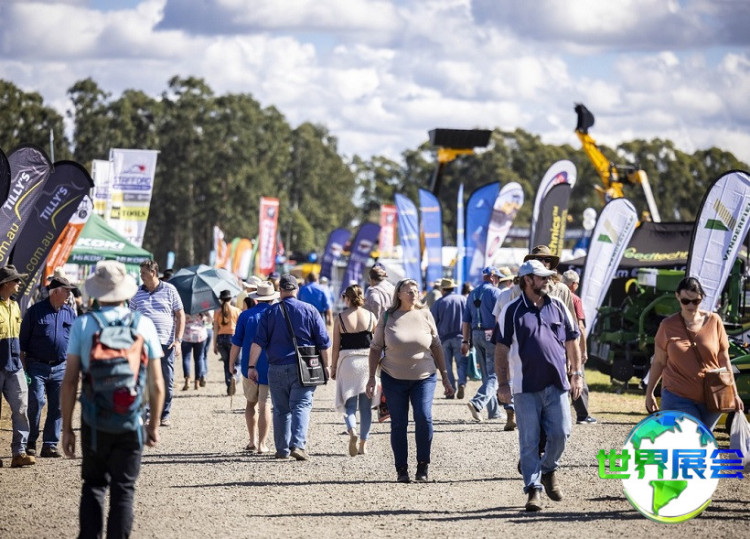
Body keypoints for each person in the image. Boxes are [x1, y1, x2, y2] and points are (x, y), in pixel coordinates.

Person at [61, 260, 165, 538]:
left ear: (97, 291)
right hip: (131, 419)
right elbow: (157, 383)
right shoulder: (142, 324)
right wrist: (153, 424)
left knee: (93, 486)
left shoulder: (84, 324)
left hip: (94, 420)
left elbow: (69, 381)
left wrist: (67, 428)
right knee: (124, 490)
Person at [495, 260, 582, 512]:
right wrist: (503, 383)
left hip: (557, 383)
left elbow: (572, 341)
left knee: (561, 433)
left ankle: (548, 469)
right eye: (542, 277)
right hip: (525, 387)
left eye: (548, 277)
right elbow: (501, 349)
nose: (547, 281)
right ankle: (533, 489)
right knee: (529, 440)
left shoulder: (558, 306)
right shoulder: (511, 310)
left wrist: (577, 374)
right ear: (527, 280)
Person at [366, 278, 454, 483]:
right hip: (393, 378)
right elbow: (376, 348)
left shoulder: (425, 314)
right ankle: (401, 469)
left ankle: (423, 466)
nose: (413, 294)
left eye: (415, 290)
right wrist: (371, 378)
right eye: (408, 291)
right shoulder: (388, 316)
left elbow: (436, 346)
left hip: (424, 377)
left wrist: (445, 377)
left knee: (424, 417)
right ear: (398, 294)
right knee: (399, 423)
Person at [247, 274, 331, 461]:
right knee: (301, 405)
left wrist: (252, 366)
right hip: (305, 367)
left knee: (280, 409)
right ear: (296, 289)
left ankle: (282, 449)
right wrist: (327, 366)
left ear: (280, 291)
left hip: (276, 367)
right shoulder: (310, 310)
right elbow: (324, 342)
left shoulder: (270, 313)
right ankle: (298, 445)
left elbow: (258, 342)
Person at [645, 277, 744, 430]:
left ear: (701, 298)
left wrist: (734, 393)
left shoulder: (714, 321)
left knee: (702, 441)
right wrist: (649, 392)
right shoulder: (667, 326)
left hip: (712, 398)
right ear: (678, 296)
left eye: (695, 301)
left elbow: (724, 360)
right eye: (685, 301)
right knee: (692, 436)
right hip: (677, 396)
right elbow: (659, 361)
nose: (691, 306)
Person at [20, 275, 77, 458]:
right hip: (36, 366)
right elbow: (22, 344)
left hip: (61, 367)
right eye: (66, 291)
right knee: (36, 402)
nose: (69, 294)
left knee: (58, 406)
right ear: (55, 292)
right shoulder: (35, 312)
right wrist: (24, 369)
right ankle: (30, 441)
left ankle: (49, 445)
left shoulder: (70, 313)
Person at [130, 259, 184, 427]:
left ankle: (164, 414)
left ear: (153, 272)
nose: (141, 276)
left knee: (167, 380)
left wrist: (178, 340)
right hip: (143, 343)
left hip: (166, 343)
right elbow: (130, 317)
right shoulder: (137, 293)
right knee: (145, 380)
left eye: (143, 273)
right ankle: (147, 414)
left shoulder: (170, 290)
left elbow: (180, 315)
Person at [229, 281, 279, 453]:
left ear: (257, 298)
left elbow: (236, 342)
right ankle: (262, 444)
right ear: (272, 298)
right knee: (265, 404)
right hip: (270, 364)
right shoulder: (277, 314)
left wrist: (231, 363)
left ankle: (252, 441)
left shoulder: (245, 315)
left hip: (248, 366)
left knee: (251, 403)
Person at [331, 284, 377, 457]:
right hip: (367, 362)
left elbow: (336, 347)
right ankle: (363, 445)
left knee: (349, 405)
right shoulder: (371, 316)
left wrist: (333, 367)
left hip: (347, 362)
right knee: (366, 408)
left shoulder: (340, 318)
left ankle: (352, 430)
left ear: (347, 298)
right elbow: (378, 342)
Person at [0, 265, 35, 468]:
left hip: (15, 365)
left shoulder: (14, 306)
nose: (19, 283)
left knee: (21, 408)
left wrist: (23, 363)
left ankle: (19, 453)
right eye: (16, 280)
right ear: (6, 284)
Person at [461, 266, 504, 424]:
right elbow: (500, 317)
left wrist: (465, 341)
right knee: (496, 373)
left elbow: (466, 320)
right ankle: (477, 402)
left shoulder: (472, 293)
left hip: (476, 334)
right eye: (498, 278)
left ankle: (494, 412)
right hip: (491, 333)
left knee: (486, 374)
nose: (498, 281)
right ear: (492, 277)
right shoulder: (496, 292)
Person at [561, 269, 596, 424]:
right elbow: (580, 327)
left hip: (556, 343)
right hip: (572, 343)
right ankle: (582, 415)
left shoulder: (553, 295)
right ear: (574, 284)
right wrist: (583, 350)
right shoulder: (575, 299)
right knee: (577, 376)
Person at [430, 278, 466, 399]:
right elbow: (468, 318)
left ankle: (451, 390)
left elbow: (432, 322)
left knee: (447, 366)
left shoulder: (439, 303)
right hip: (460, 336)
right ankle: (462, 382)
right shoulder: (463, 299)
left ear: (442, 289)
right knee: (461, 363)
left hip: (444, 338)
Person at [213, 289, 241, 395]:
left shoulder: (217, 312)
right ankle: (236, 377)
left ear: (221, 299)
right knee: (237, 363)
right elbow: (240, 328)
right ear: (230, 298)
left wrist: (214, 345)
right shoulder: (237, 311)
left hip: (221, 339)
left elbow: (215, 329)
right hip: (233, 338)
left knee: (226, 363)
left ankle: (229, 385)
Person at [181, 312, 208, 391]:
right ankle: (197, 382)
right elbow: (209, 319)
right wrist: (203, 318)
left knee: (186, 358)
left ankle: (187, 380)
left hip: (186, 334)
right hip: (200, 335)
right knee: (199, 358)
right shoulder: (201, 308)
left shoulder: (184, 307)